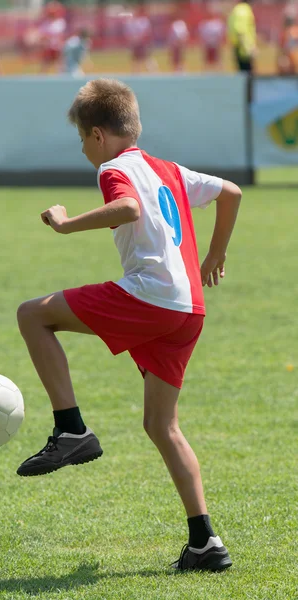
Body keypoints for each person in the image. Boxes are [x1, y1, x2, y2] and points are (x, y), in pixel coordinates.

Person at [15, 78, 241, 571]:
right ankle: (205, 542)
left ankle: (70, 429)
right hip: (189, 310)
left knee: (32, 314)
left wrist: (66, 223)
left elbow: (128, 208)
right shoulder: (168, 169)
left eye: (81, 140)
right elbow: (232, 192)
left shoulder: (114, 168)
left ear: (98, 134)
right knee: (162, 425)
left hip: (152, 296)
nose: (83, 150)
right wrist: (216, 252)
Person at [123, 6, 158, 74]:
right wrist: (133, 40)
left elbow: (147, 32)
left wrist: (139, 39)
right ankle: (136, 74)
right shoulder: (131, 22)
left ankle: (154, 73)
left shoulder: (143, 21)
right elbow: (128, 34)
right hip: (135, 44)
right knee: (135, 60)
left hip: (143, 43)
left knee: (147, 59)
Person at [228, 0, 256, 73]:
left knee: (242, 74)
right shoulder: (244, 11)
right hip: (244, 50)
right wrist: (248, 48)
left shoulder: (236, 9)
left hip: (238, 47)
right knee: (247, 76)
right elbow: (240, 31)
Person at [38, 1, 66, 74]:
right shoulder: (46, 23)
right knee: (45, 64)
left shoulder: (60, 22)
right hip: (48, 47)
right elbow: (42, 35)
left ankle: (62, 77)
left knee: (60, 65)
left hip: (57, 47)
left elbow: (61, 35)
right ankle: (41, 78)